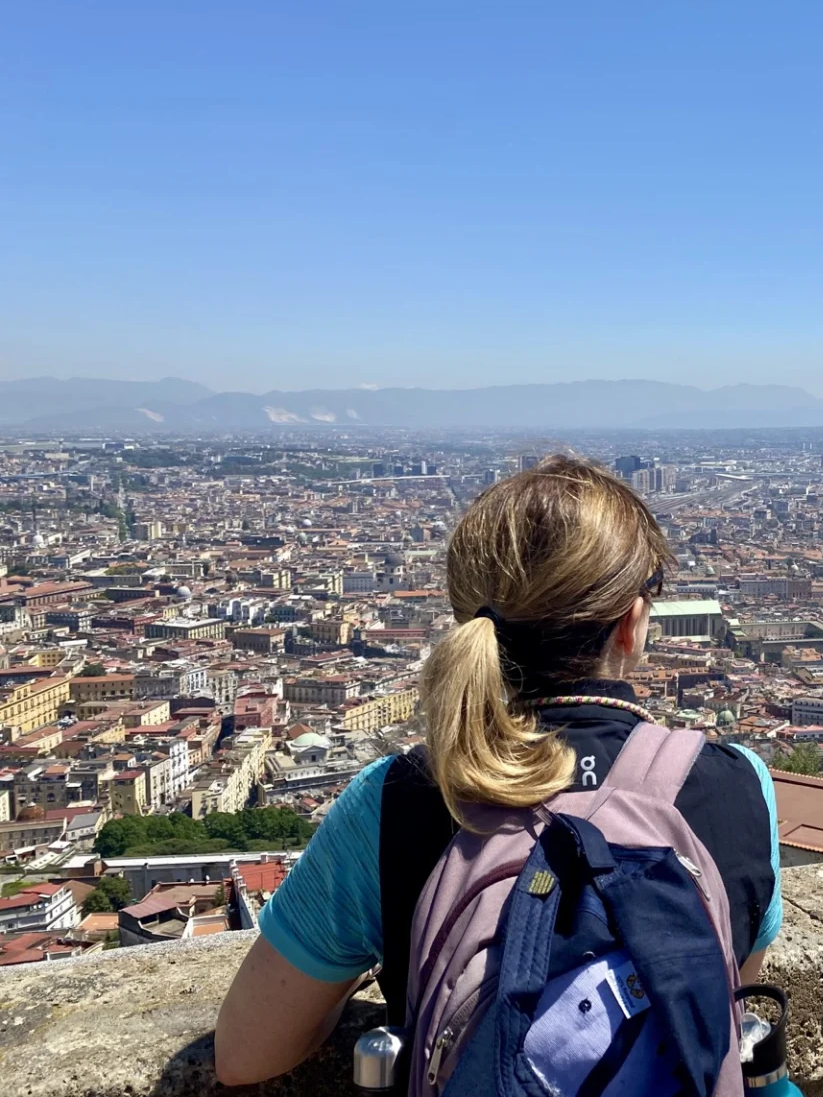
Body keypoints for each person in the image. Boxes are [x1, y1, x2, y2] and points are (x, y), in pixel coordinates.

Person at [215, 456, 781, 1087]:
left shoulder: (399, 801)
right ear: (630, 621)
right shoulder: (736, 787)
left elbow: (247, 1055)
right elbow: (716, 1008)